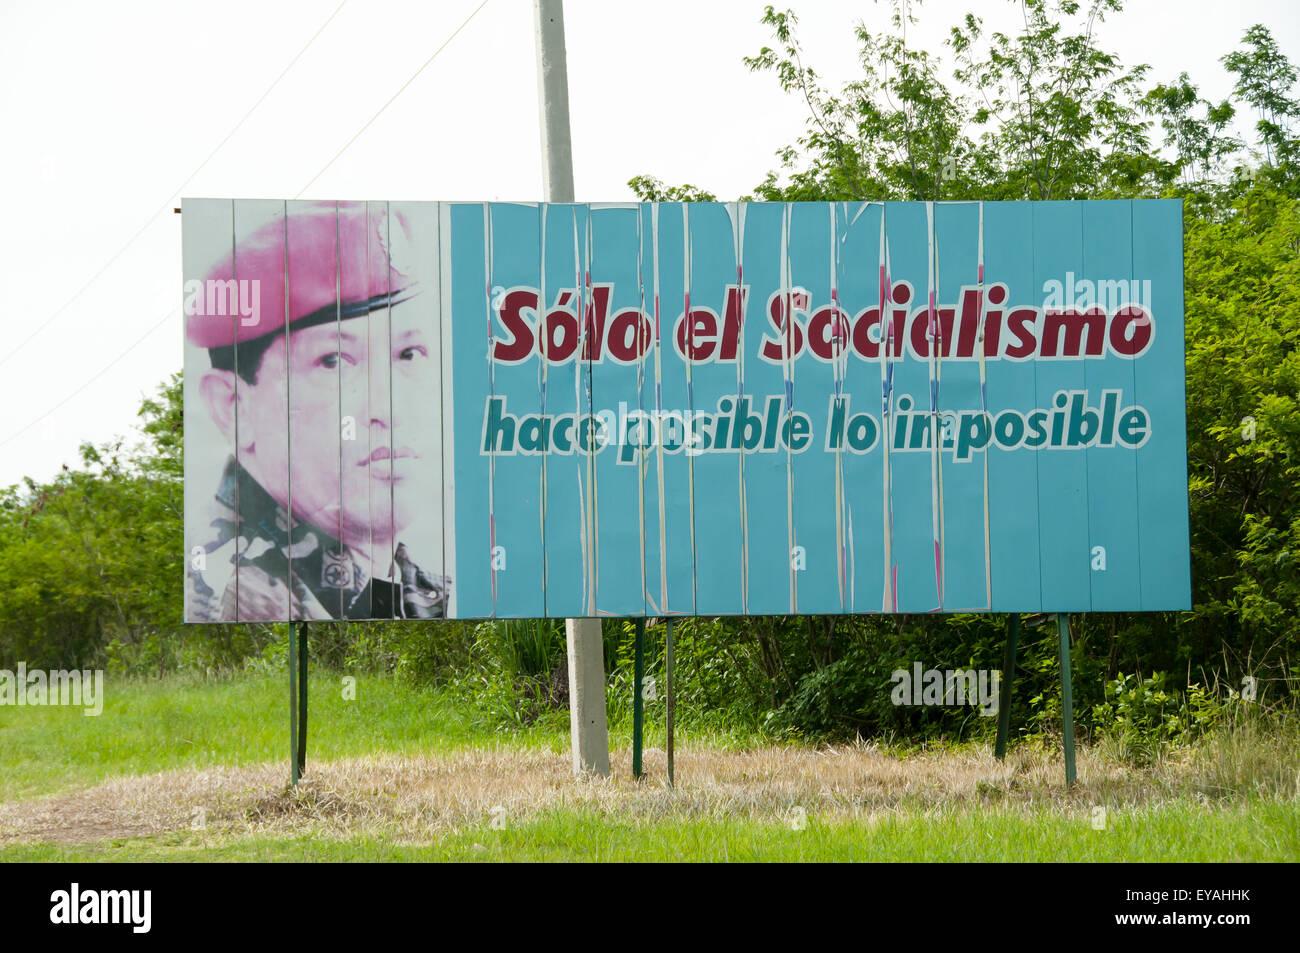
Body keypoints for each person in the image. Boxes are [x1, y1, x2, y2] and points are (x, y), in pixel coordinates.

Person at [185, 201, 450, 621]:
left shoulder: (413, 588)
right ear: (234, 407)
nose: (390, 409)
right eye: (334, 361)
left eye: (408, 354)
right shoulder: (235, 597)